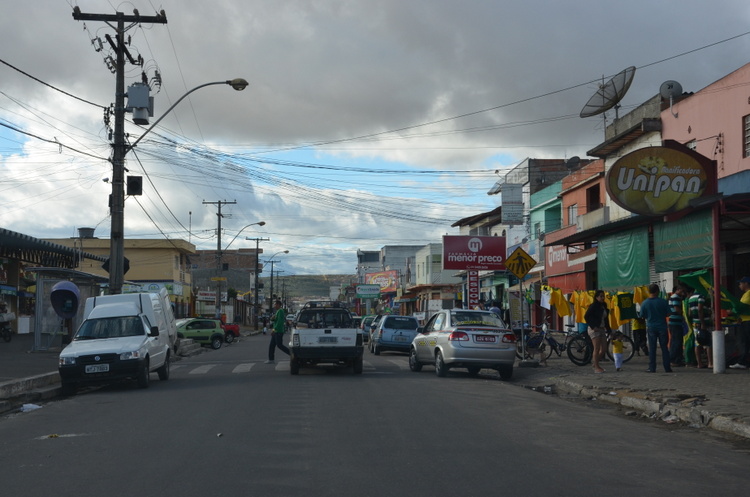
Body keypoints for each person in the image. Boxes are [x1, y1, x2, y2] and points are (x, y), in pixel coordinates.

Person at [639, 283, 672, 373]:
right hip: (662, 327)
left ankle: (652, 368)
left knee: (652, 348)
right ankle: (667, 367)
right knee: (664, 348)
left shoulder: (645, 303)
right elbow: (669, 313)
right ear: (657, 291)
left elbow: (642, 316)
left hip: (651, 327)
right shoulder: (663, 302)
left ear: (649, 291)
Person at [584, 289, 611, 374]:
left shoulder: (604, 306)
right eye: (601, 296)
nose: (603, 298)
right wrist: (593, 326)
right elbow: (586, 316)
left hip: (602, 328)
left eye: (603, 296)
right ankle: (596, 366)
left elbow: (606, 319)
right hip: (594, 329)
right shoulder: (593, 306)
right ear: (596, 297)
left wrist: (609, 329)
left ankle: (594, 362)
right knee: (597, 348)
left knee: (604, 349)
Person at [688, 289, 713, 369]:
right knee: (708, 343)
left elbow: (690, 312)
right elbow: (700, 309)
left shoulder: (690, 298)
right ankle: (710, 363)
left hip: (695, 323)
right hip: (704, 323)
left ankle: (699, 363)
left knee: (697, 342)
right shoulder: (701, 297)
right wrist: (702, 323)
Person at [730, 276, 750, 369]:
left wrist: (732, 311)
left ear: (746, 284)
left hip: (748, 321)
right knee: (744, 342)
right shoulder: (745, 294)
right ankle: (743, 361)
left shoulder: (749, 293)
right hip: (744, 321)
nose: (739, 285)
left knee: (745, 342)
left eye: (741, 283)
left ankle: (743, 361)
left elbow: (742, 307)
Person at [668, 285, 687, 367]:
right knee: (676, 342)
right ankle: (674, 360)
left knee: (676, 341)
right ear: (678, 290)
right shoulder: (675, 297)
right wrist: (682, 314)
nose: (683, 293)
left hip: (673, 322)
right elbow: (676, 308)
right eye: (682, 291)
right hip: (675, 323)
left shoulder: (673, 297)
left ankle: (677, 359)